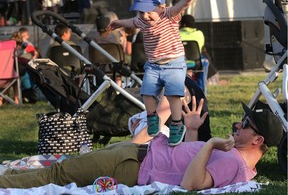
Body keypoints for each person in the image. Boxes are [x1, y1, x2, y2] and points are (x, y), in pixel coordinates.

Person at [0, 96, 283, 190]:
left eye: (245, 125)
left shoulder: (235, 162)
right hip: (138, 153)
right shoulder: (236, 158)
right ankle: (8, 177)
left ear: (258, 140)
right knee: (64, 166)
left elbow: (191, 184)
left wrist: (209, 145)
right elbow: (188, 161)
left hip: (132, 165)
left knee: (58, 174)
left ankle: (5, 182)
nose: (237, 125)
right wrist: (195, 133)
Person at [109, 0, 193, 146]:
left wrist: (186, 1)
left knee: (173, 94)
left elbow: (178, 8)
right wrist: (118, 23)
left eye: (149, 12)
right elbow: (131, 22)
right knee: (146, 91)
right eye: (141, 12)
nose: (145, 16)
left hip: (174, 62)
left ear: (161, 7)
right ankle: (152, 117)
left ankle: (176, 124)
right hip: (154, 64)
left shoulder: (168, 15)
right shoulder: (141, 21)